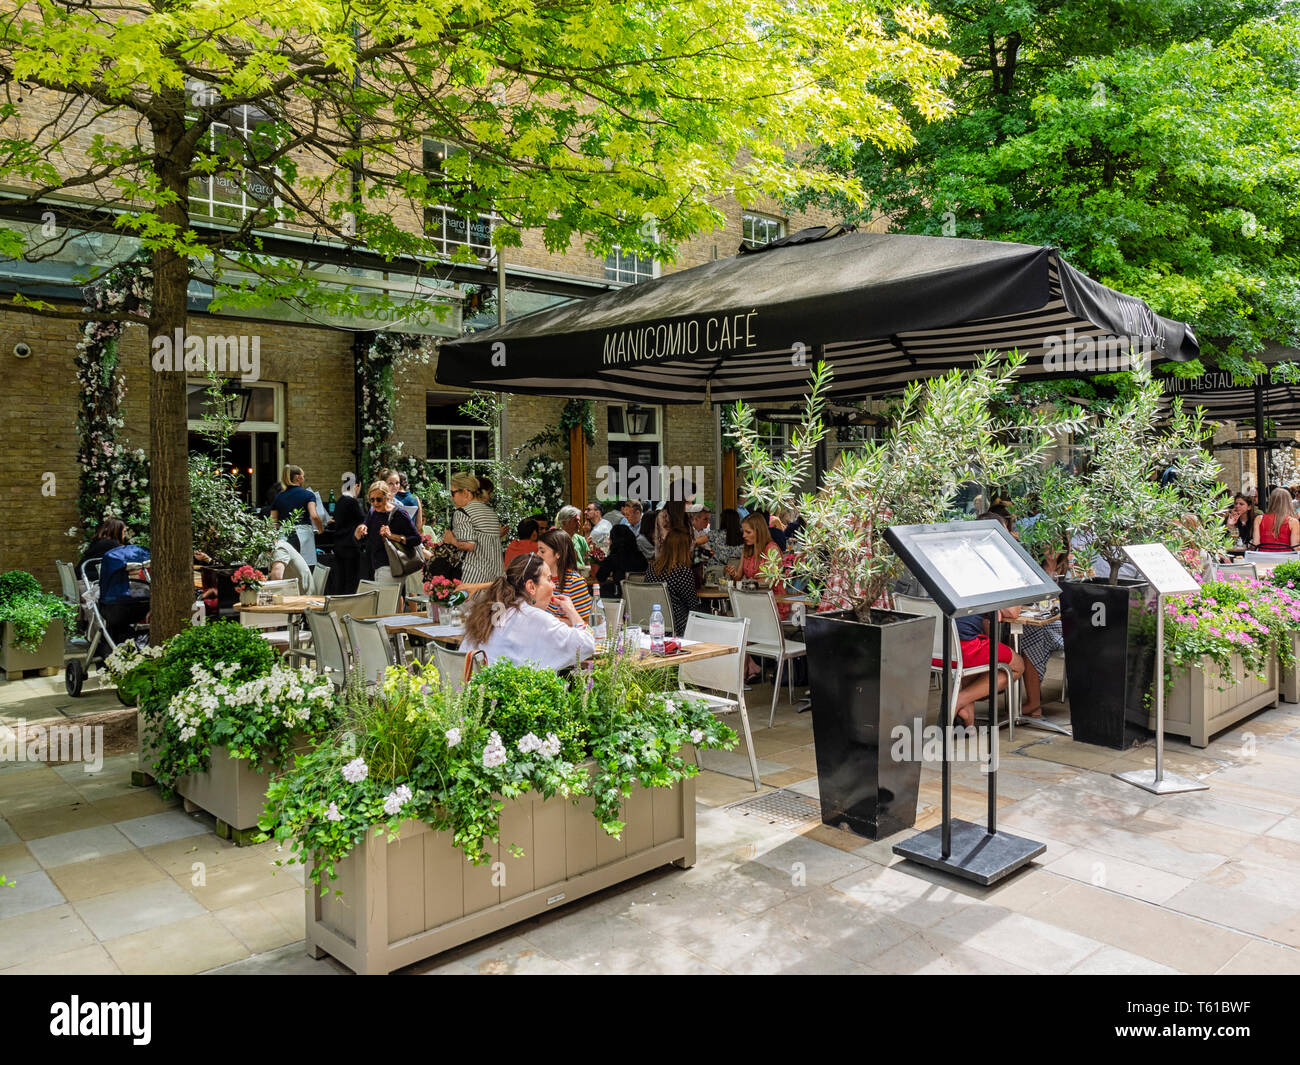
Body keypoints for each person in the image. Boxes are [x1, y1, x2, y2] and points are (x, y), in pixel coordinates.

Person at [460, 553, 595, 671]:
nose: (553, 586)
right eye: (548, 579)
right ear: (531, 586)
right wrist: (572, 612)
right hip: (512, 697)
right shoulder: (536, 618)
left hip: (476, 694)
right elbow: (587, 644)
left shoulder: (490, 610)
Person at [355, 480, 421, 590]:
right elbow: (365, 539)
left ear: (388, 497)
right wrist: (358, 534)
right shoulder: (372, 513)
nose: (375, 503)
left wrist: (392, 536)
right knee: (393, 601)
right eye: (372, 500)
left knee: (385, 603)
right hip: (377, 565)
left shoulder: (399, 514)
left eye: (379, 499)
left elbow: (416, 539)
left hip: (392, 565)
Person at [444, 472, 505, 584]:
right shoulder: (490, 512)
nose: (452, 498)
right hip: (496, 578)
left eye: (453, 493)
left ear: (466, 493)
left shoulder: (462, 512)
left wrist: (451, 540)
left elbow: (468, 544)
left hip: (473, 577)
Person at [270, 465, 325, 568]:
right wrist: (320, 529)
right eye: (303, 476)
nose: (304, 479)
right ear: (298, 478)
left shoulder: (278, 497)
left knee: (288, 569)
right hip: (303, 535)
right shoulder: (308, 495)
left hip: (284, 535)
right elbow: (314, 515)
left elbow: (272, 522)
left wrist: (275, 539)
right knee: (306, 568)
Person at [648, 526, 699, 634]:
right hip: (678, 626)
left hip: (653, 623)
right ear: (685, 548)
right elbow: (693, 606)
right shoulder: (682, 572)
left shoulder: (652, 568)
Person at [538, 528, 593, 626]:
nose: (537, 555)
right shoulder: (537, 578)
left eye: (542, 551)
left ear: (558, 553)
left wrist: (550, 620)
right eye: (538, 550)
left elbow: (585, 623)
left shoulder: (575, 582)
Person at [330, 475, 366, 594]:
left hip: (338, 544)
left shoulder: (340, 500)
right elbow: (363, 519)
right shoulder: (352, 502)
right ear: (357, 485)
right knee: (351, 580)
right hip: (350, 546)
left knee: (341, 579)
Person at [595, 523, 649, 597]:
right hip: (641, 595)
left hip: (619, 596)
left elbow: (600, 577)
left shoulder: (614, 558)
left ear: (613, 540)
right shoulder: (640, 556)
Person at [1253, 487, 1300, 552]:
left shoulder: (1259, 519)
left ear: (1271, 501)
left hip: (1263, 558)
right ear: (1288, 502)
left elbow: (1255, 544)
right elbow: (1295, 548)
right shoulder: (1293, 522)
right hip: (1285, 560)